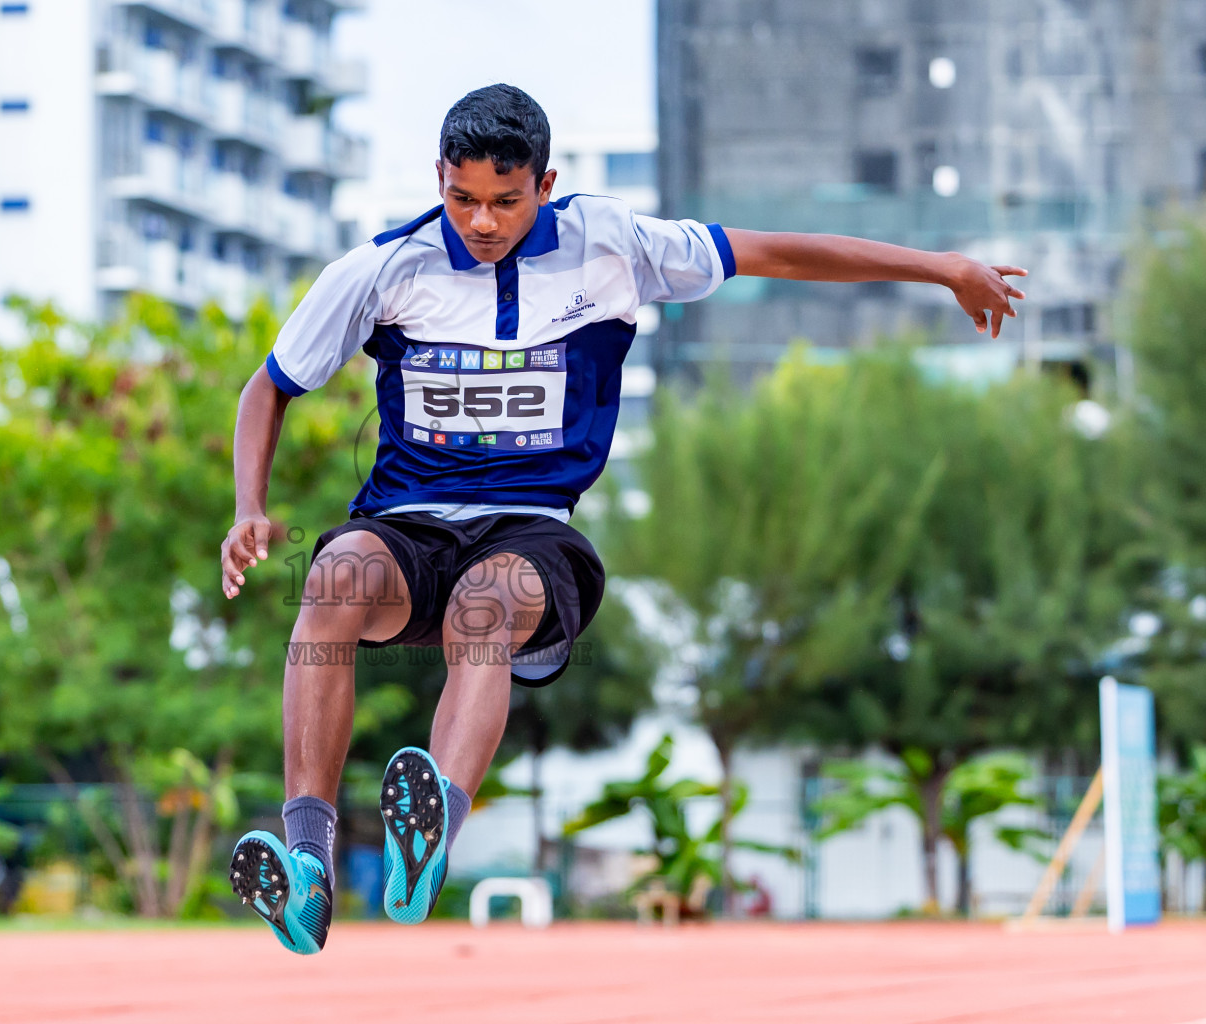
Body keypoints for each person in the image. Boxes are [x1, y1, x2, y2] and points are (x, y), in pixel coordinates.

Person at [221, 84, 1025, 954]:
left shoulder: (614, 243)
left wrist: (941, 266)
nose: (482, 222)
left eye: (505, 201)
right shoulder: (382, 268)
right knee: (332, 583)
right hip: (407, 522)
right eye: (462, 199)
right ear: (438, 180)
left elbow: (778, 254)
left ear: (546, 182)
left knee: (483, 610)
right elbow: (270, 386)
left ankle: (431, 835)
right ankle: (308, 868)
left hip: (528, 525)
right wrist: (249, 509)